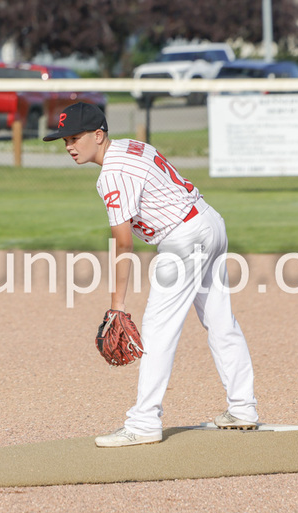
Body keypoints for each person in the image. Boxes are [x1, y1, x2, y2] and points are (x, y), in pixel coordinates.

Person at [43, 102, 258, 447]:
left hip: (183, 239)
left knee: (158, 329)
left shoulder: (111, 173)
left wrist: (117, 304)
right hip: (209, 222)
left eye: (75, 137)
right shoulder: (130, 145)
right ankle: (243, 407)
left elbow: (123, 243)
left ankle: (143, 422)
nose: (69, 145)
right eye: (64, 139)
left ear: (99, 135)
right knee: (221, 320)